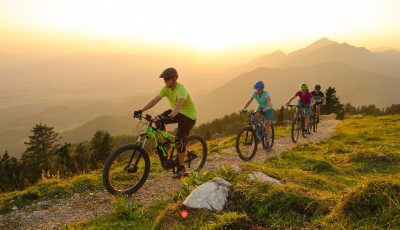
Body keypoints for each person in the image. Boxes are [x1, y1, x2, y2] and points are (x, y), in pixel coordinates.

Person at [133, 67, 197, 179]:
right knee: (158, 120)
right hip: (176, 112)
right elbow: (154, 100)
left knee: (179, 140)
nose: (165, 81)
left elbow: (179, 105)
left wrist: (170, 116)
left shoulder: (181, 89)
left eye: (167, 79)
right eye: (164, 79)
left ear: (175, 78)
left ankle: (181, 168)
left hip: (188, 116)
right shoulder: (166, 89)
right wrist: (141, 110)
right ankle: (167, 142)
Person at [240, 80, 274, 150]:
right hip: (260, 106)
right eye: (256, 89)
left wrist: (267, 108)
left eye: (258, 89)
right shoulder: (255, 93)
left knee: (267, 124)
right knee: (254, 117)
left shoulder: (266, 94)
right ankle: (259, 131)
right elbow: (249, 101)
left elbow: (269, 102)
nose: (257, 91)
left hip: (269, 108)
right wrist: (243, 108)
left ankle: (267, 143)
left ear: (262, 89)